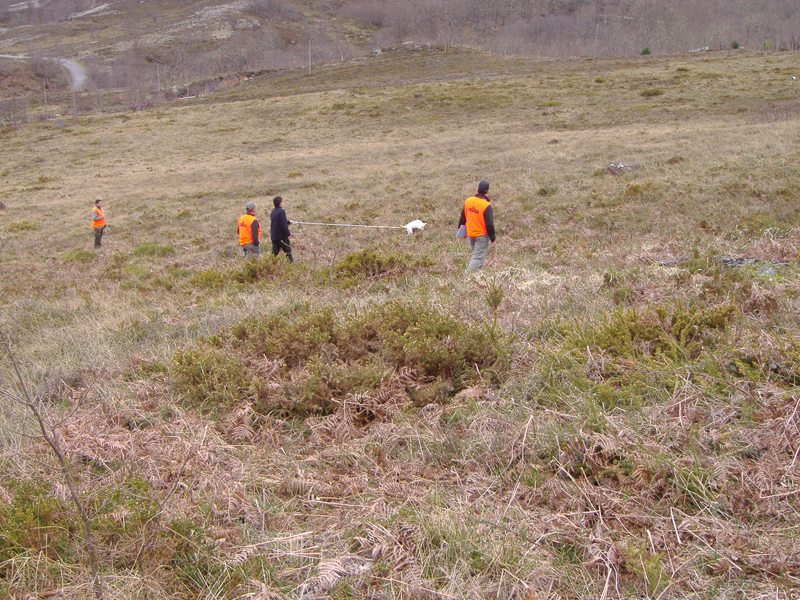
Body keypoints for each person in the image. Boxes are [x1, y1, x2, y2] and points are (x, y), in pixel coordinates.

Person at [458, 180, 496, 272]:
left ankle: (480, 275)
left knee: (477, 256)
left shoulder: (468, 201)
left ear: (477, 189)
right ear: (487, 191)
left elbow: (463, 218)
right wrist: (493, 239)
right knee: (477, 258)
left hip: (470, 234)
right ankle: (467, 277)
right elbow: (489, 224)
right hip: (481, 236)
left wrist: (461, 232)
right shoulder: (486, 205)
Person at [270, 196, 294, 263]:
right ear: (280, 203)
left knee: (274, 254)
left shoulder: (273, 212)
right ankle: (291, 265)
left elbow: (278, 222)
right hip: (282, 236)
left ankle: (269, 265)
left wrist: (288, 222)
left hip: (274, 236)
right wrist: (288, 234)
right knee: (288, 252)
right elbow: (283, 224)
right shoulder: (282, 211)